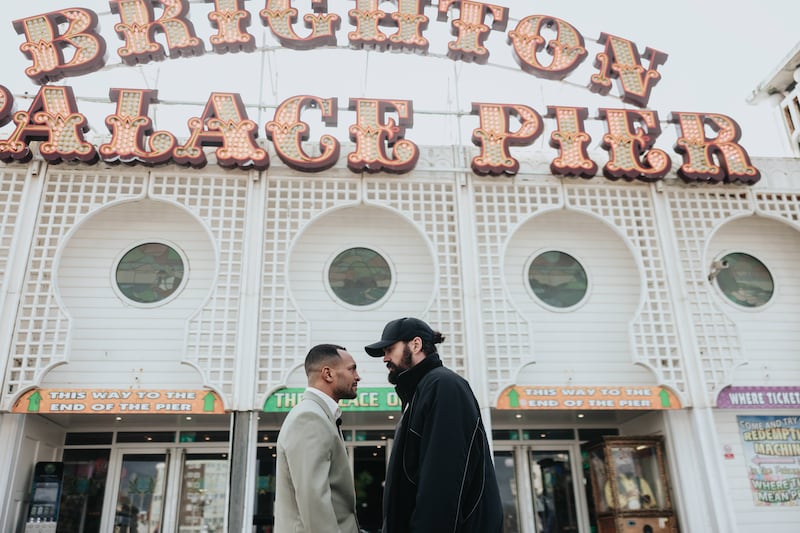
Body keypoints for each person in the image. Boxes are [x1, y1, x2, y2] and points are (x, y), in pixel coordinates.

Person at [365, 317, 503, 533]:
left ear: (416, 345)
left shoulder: (443, 387)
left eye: (389, 349)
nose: (385, 358)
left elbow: (443, 483)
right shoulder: (422, 390)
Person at [274, 344, 361, 533]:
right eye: (352, 369)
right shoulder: (309, 418)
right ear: (328, 374)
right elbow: (313, 500)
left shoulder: (319, 415)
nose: (357, 376)